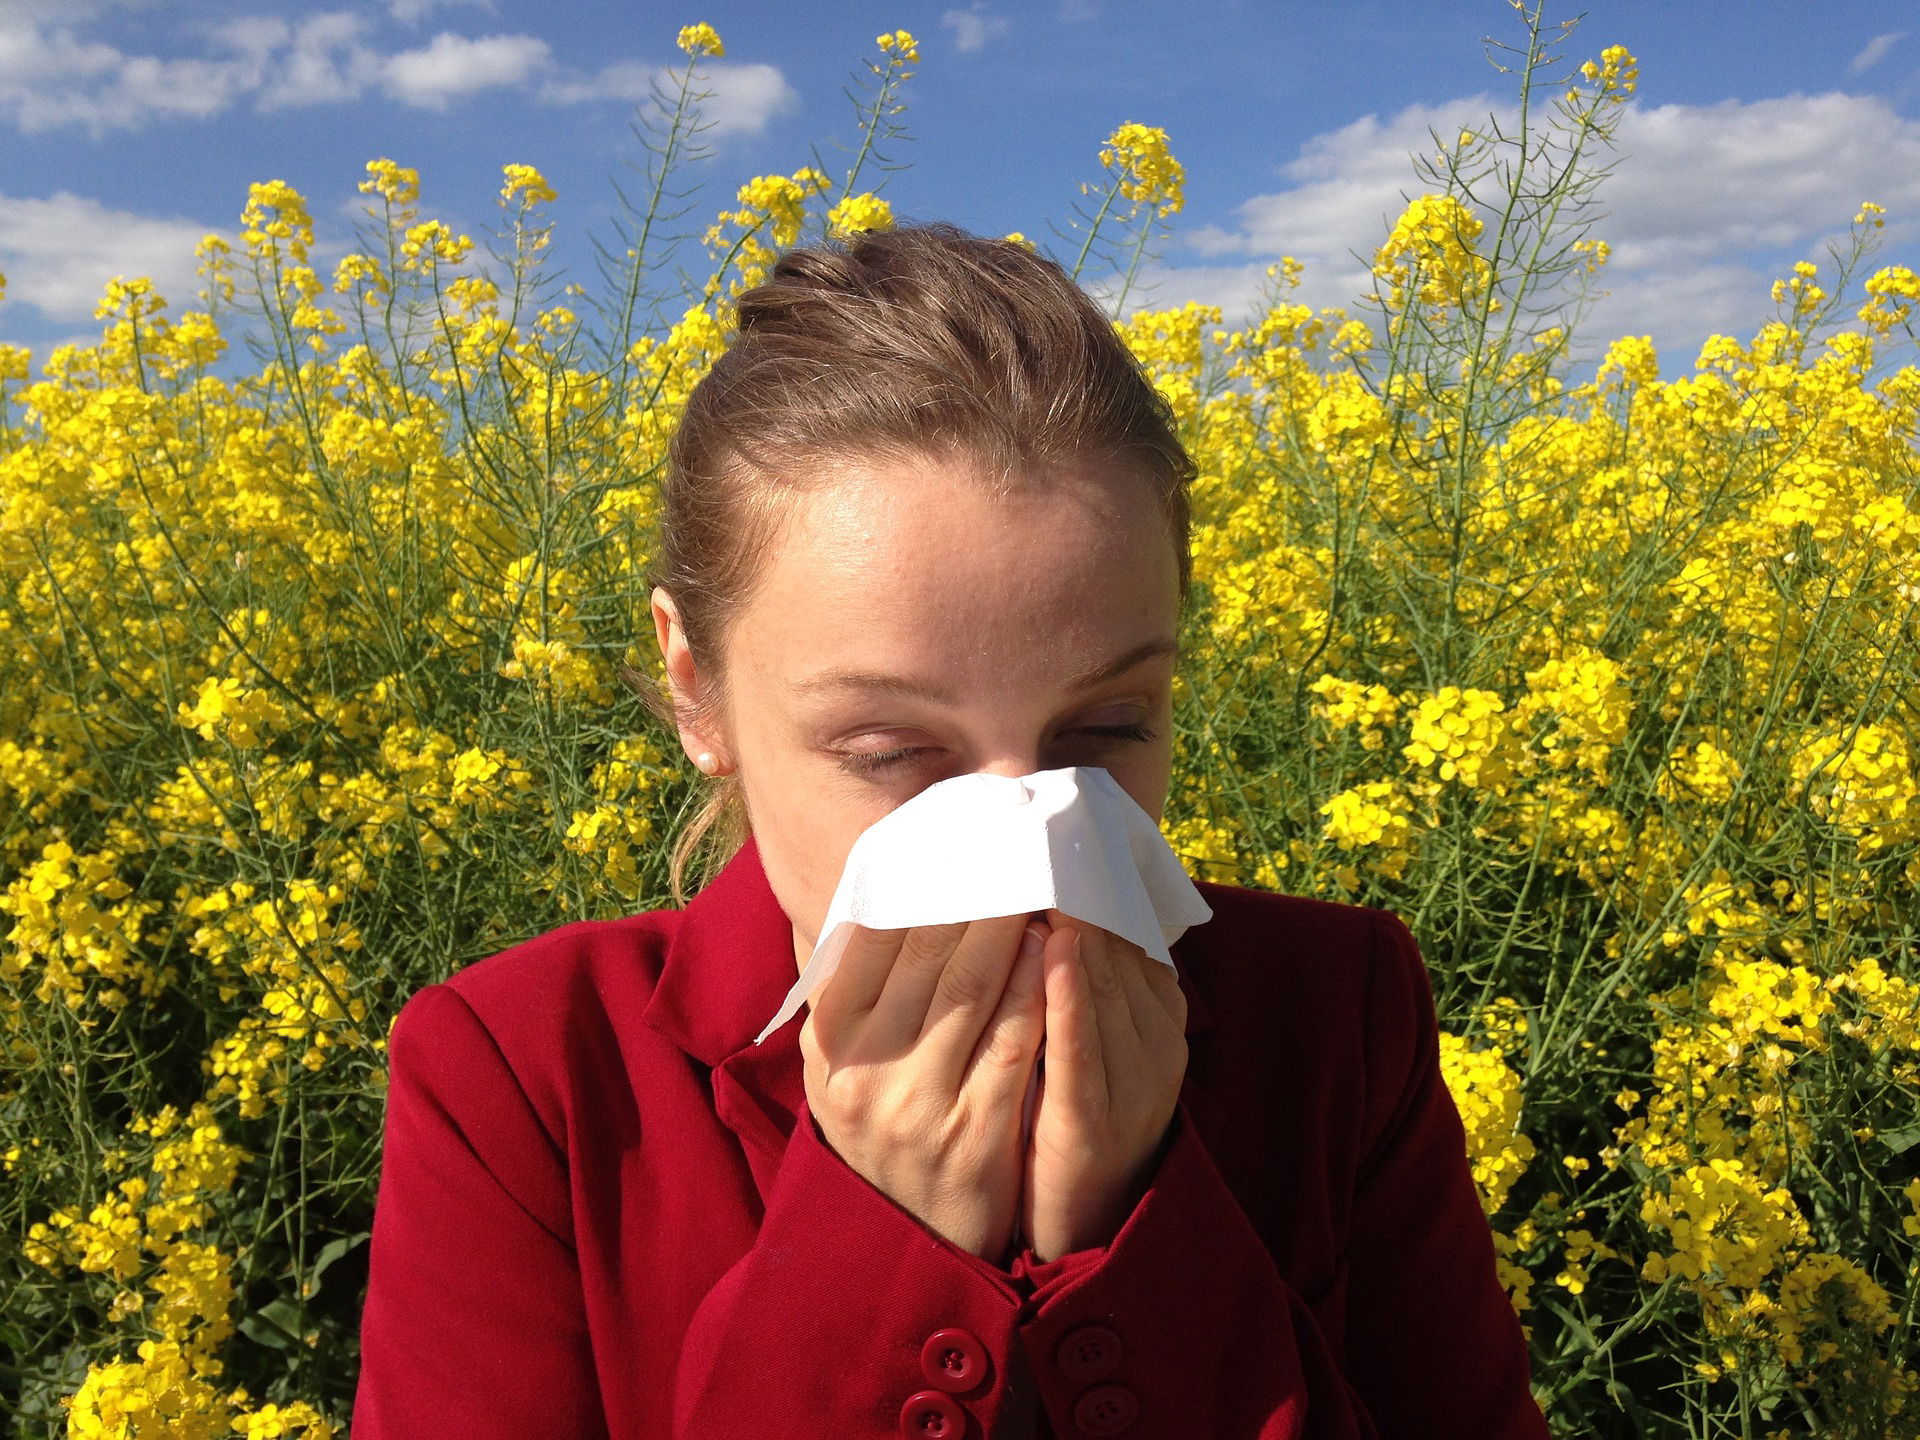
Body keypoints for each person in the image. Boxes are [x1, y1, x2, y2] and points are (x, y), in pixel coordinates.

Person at [351, 222, 1550, 1438]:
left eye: (1108, 731)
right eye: (889, 752)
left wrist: (1136, 1229)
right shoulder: (528, 1079)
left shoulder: (1335, 1015)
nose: (1027, 845)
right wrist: (881, 1244)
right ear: (695, 692)